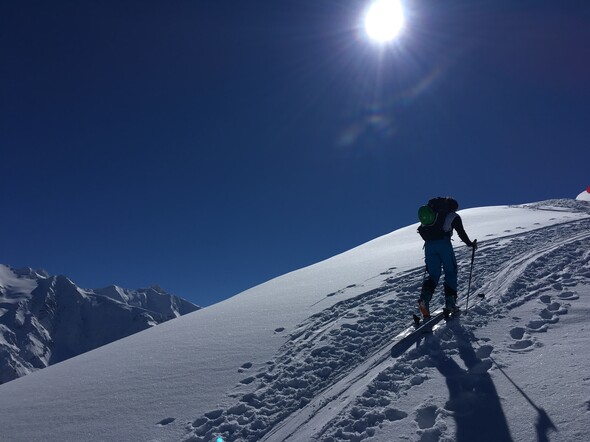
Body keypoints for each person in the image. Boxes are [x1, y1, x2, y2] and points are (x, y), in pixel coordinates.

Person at [417, 197, 477, 320]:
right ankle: (450, 304)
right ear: (453, 207)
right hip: (444, 244)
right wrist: (470, 244)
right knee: (450, 272)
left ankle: (424, 300)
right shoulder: (453, 216)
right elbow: (461, 232)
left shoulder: (432, 214)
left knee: (433, 275)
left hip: (429, 245)